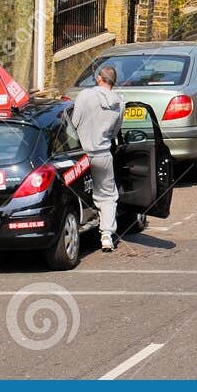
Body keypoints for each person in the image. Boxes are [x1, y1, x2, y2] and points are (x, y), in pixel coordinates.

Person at [71, 64, 124, 252]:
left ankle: (78, 227)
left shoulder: (85, 95)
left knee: (76, 193)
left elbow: (73, 124)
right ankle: (107, 236)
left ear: (99, 78)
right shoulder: (119, 102)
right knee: (108, 196)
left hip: (80, 155)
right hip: (102, 154)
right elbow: (115, 131)